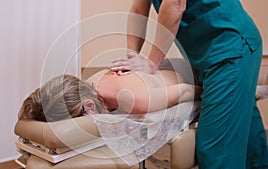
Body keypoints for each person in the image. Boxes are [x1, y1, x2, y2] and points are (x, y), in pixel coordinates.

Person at [109, 0, 268, 168]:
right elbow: (138, 9)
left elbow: (174, 5)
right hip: (206, 55)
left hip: (229, 46)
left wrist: (151, 64)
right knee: (248, 138)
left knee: (215, 150)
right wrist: (132, 57)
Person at [18, 66, 201, 122]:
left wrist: (217, 90)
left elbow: (185, 91)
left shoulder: (132, 99)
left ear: (89, 106)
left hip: (190, 74)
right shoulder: (88, 86)